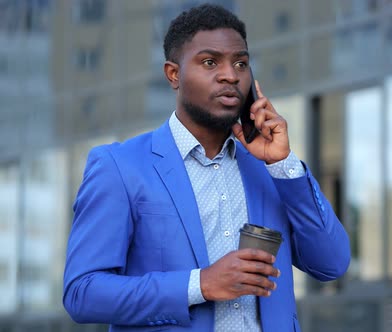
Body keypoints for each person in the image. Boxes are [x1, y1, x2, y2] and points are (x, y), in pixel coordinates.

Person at [62, 3, 350, 332]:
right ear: (174, 74)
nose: (230, 75)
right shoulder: (120, 167)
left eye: (241, 63)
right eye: (210, 62)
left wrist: (283, 163)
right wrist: (200, 285)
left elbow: (332, 263)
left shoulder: (270, 170)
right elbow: (82, 293)